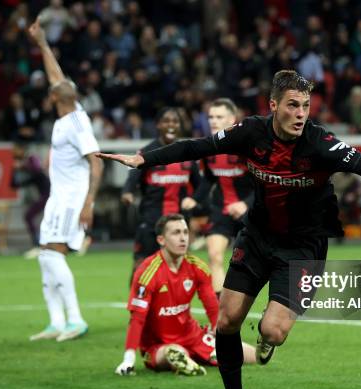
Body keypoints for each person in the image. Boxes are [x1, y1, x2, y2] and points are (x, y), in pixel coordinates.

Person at [98, 70, 361, 389]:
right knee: (227, 320)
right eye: (293, 105)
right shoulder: (250, 132)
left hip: (303, 248)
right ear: (274, 106)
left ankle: (267, 339)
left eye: (306, 106)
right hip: (258, 237)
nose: (301, 114)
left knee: (274, 331)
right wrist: (143, 159)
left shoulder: (321, 144)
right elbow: (196, 147)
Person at [26, 19, 103, 342]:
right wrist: (43, 44)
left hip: (72, 199)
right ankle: (57, 321)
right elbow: (58, 78)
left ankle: (76, 319)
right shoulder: (69, 111)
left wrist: (89, 204)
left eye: (51, 93)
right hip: (59, 197)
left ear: (55, 99)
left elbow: (96, 164)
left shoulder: (76, 125)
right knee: (46, 254)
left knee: (54, 254)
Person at [115, 213, 255, 377]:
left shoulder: (197, 267)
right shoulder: (147, 273)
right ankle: (181, 357)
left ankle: (191, 359)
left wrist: (218, 333)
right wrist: (128, 359)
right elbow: (137, 318)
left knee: (251, 355)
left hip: (192, 337)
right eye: (176, 233)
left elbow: (211, 306)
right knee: (173, 352)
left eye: (185, 232)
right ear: (161, 240)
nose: (183, 238)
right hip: (157, 344)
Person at [181, 98, 254, 296]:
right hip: (221, 209)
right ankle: (220, 316)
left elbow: (265, 183)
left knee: (254, 263)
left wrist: (245, 204)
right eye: (211, 117)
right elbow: (210, 178)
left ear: (232, 119)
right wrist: (195, 198)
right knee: (214, 255)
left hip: (252, 212)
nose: (213, 121)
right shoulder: (208, 147)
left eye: (219, 117)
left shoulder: (248, 147)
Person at [121, 108, 204, 274]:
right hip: (151, 218)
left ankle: (179, 301)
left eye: (175, 121)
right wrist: (127, 192)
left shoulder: (188, 152)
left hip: (179, 220)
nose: (171, 125)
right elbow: (133, 177)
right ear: (159, 125)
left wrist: (194, 200)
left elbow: (201, 185)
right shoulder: (147, 152)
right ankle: (136, 300)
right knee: (141, 265)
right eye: (166, 121)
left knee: (181, 267)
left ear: (180, 126)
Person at [10, 143, 50, 259]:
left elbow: (37, 170)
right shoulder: (26, 166)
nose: (14, 152)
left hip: (49, 195)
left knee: (31, 216)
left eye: (16, 149)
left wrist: (23, 166)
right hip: (45, 195)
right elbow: (14, 185)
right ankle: (39, 245)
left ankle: (38, 245)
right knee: (29, 217)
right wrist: (15, 170)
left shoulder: (31, 159)